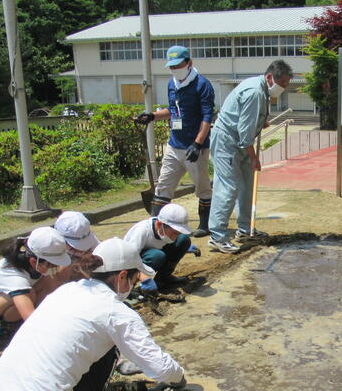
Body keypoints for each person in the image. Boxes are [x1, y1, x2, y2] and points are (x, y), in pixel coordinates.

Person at [0, 237, 186, 391]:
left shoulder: (64, 292)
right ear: (122, 276)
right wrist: (179, 379)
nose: (134, 285)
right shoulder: (116, 313)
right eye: (134, 279)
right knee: (109, 350)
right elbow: (162, 368)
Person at [207, 60, 293, 254]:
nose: (284, 88)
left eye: (286, 84)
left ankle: (245, 229)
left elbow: (248, 119)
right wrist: (254, 158)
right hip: (227, 142)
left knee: (247, 184)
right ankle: (217, 237)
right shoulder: (254, 92)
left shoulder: (262, 90)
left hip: (239, 141)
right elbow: (245, 133)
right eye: (283, 83)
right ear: (270, 77)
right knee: (228, 187)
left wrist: (261, 122)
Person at [135, 45, 215, 236]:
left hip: (194, 148)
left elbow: (207, 116)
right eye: (172, 66)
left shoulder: (202, 85)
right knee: (163, 186)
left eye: (178, 65)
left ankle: (205, 225)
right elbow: (173, 111)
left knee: (202, 187)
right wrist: (152, 116)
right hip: (174, 145)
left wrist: (197, 143)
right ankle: (155, 227)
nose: (175, 69)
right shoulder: (172, 85)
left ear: (189, 63)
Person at [0, 226, 71, 338]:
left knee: (49, 282)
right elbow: (30, 317)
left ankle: (17, 323)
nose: (55, 267)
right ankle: (5, 328)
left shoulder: (28, 260)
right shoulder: (15, 278)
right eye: (52, 264)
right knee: (30, 294)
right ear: (34, 262)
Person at [124, 202, 195, 295]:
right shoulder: (141, 231)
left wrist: (183, 247)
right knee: (157, 255)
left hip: (154, 253)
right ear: (159, 225)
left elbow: (176, 240)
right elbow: (128, 260)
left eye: (178, 233)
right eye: (174, 233)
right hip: (133, 261)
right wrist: (142, 277)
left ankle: (163, 279)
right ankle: (130, 289)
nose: (175, 237)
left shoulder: (163, 231)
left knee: (184, 240)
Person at [33, 211, 102, 299]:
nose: (81, 251)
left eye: (86, 247)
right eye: (74, 248)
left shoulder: (99, 250)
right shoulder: (47, 255)